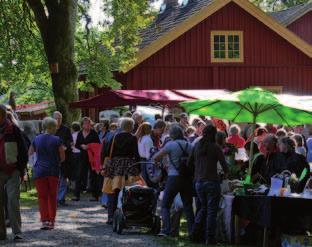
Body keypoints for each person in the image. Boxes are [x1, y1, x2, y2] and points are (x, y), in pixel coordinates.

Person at [189, 125, 229, 245]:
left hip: (198, 182)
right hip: (212, 182)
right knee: (211, 211)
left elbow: (188, 163)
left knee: (203, 208)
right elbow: (225, 166)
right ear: (214, 134)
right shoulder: (215, 147)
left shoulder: (196, 146)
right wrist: (226, 174)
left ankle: (194, 234)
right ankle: (210, 238)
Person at [154, 125, 194, 237]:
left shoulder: (170, 145)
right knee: (188, 206)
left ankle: (166, 230)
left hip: (173, 177)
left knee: (165, 204)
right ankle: (192, 232)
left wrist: (164, 163)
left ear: (172, 135)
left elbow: (156, 157)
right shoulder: (189, 145)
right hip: (187, 178)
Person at [28, 117, 65, 230]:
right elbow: (63, 156)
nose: (56, 128)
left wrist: (35, 165)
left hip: (39, 171)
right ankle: (52, 221)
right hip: (53, 171)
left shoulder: (36, 139)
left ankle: (44, 221)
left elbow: (30, 153)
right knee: (52, 197)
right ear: (51, 127)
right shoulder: (57, 139)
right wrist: (57, 161)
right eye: (55, 126)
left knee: (42, 197)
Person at [103, 117, 141, 224]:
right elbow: (136, 154)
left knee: (112, 192)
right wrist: (139, 169)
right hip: (128, 167)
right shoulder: (133, 138)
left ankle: (111, 217)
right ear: (131, 127)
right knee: (128, 191)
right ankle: (126, 215)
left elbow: (106, 151)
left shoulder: (114, 136)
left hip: (114, 166)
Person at [0, 105, 28, 241]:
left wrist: (21, 169)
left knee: (12, 200)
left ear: (3, 115)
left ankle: (17, 232)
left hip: (13, 170)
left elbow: (23, 150)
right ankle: (1, 233)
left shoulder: (14, 130)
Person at [73, 117, 100, 201]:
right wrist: (81, 146)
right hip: (82, 156)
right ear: (82, 125)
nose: (87, 125)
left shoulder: (94, 133)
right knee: (79, 175)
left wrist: (89, 146)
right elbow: (77, 144)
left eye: (88, 123)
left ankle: (95, 196)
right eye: (85, 123)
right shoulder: (80, 133)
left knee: (93, 176)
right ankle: (76, 195)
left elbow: (98, 144)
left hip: (91, 157)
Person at [53, 111, 73, 206]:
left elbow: (70, 141)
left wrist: (66, 146)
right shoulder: (49, 129)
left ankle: (61, 199)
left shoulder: (66, 129)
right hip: (52, 158)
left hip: (64, 158)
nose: (58, 120)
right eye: (56, 118)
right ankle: (54, 199)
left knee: (63, 179)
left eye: (59, 118)